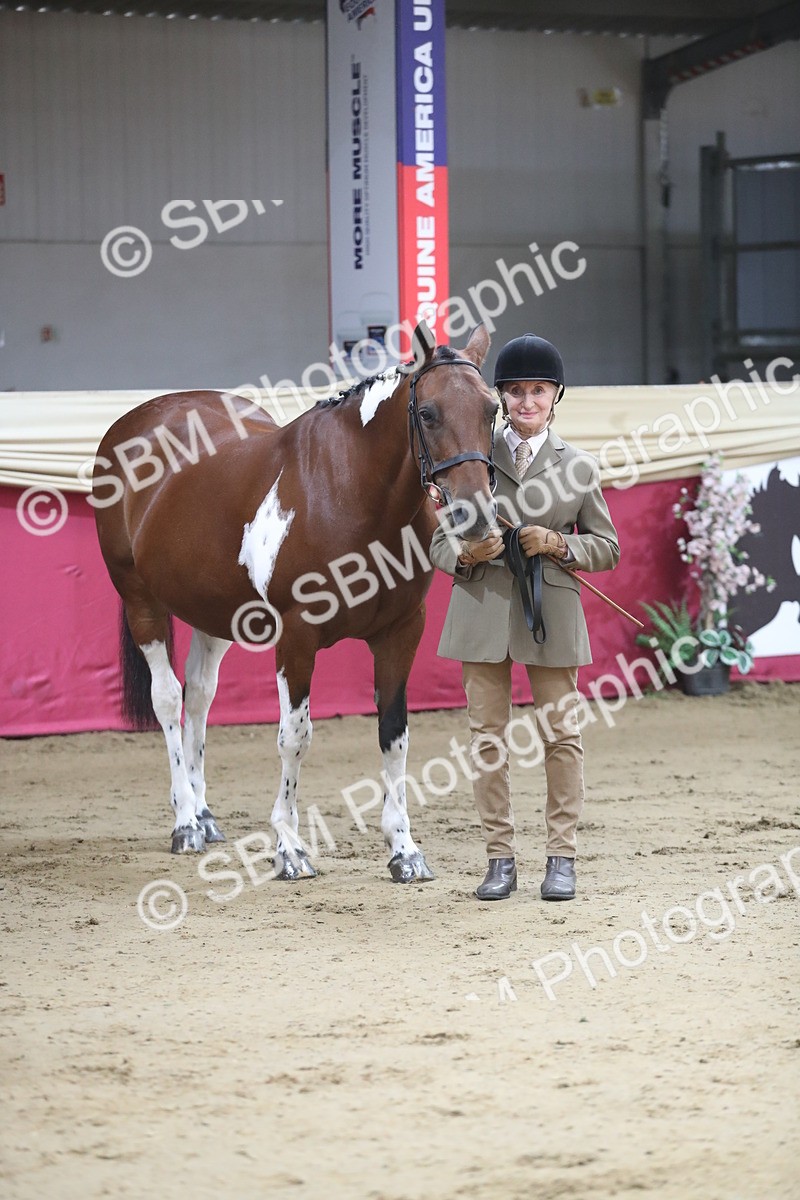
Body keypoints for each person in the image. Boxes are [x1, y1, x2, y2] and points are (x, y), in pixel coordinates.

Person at [429, 333, 620, 901]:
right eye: (516, 392)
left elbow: (607, 547)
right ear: (501, 397)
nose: (526, 402)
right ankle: (499, 858)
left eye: (537, 391)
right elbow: (436, 543)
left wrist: (560, 545)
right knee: (487, 739)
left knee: (562, 737)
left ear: (554, 397)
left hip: (552, 613)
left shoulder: (579, 467)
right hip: (482, 609)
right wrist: (466, 553)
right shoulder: (472, 456)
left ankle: (561, 856)